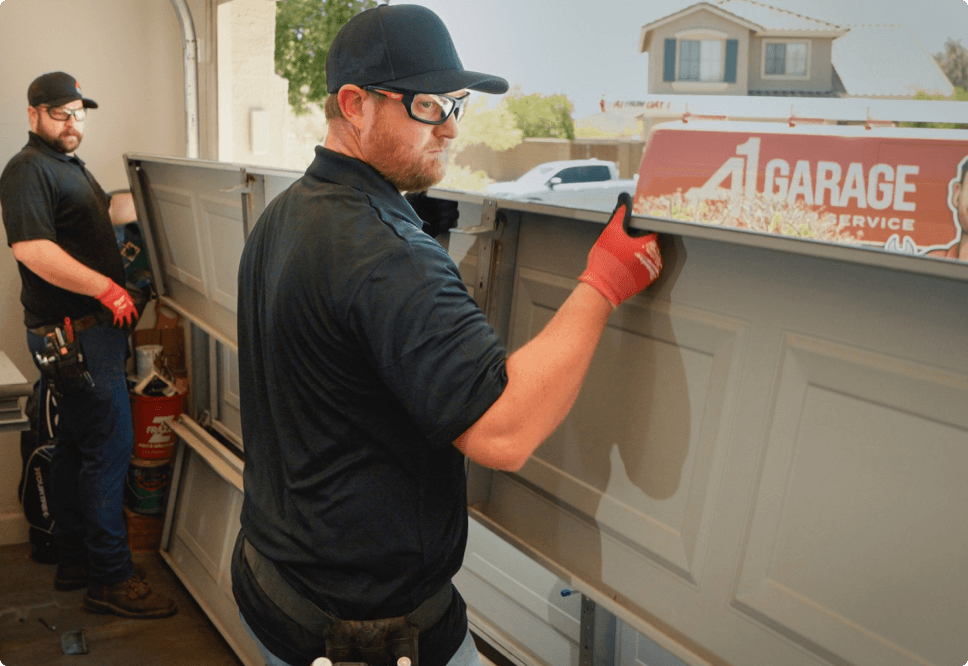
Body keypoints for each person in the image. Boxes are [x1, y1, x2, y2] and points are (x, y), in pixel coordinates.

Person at [231, 6, 662, 666]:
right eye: (429, 105)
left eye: (456, 104)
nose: (453, 128)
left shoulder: (284, 217)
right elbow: (503, 432)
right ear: (355, 104)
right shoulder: (389, 253)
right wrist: (604, 281)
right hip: (358, 635)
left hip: (274, 589)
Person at [0, 71, 176, 619]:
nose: (73, 124)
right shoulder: (27, 169)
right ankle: (110, 579)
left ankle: (76, 558)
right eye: (60, 114)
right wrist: (106, 287)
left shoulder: (65, 165)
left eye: (78, 113)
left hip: (77, 333)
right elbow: (31, 249)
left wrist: (152, 200)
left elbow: (101, 213)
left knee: (77, 446)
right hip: (76, 333)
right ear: (33, 115)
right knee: (109, 451)